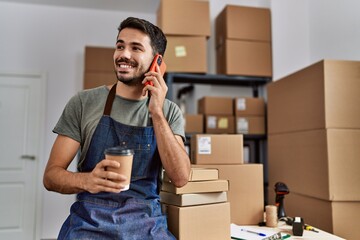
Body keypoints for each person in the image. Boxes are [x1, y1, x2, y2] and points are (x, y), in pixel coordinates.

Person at [43, 17, 191, 239]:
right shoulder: (84, 103)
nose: (124, 55)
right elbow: (51, 176)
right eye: (120, 46)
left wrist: (156, 112)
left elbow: (180, 178)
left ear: (156, 62)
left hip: (146, 224)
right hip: (89, 223)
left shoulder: (169, 112)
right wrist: (87, 180)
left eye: (136, 48)